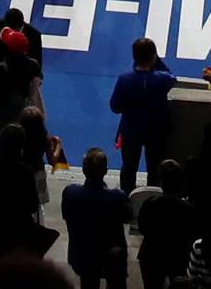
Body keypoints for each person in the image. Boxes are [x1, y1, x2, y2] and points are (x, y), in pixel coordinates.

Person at [109, 37, 176, 193]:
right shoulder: (163, 79)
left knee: (129, 168)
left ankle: (126, 198)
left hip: (131, 131)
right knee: (154, 169)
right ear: (153, 56)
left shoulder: (125, 79)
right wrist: (156, 60)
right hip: (156, 132)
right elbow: (171, 75)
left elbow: (115, 107)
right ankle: (153, 197)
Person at [61, 148, 131, 289]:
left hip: (83, 255)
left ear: (83, 170)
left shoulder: (70, 193)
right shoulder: (118, 197)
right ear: (105, 171)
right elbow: (128, 217)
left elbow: (66, 215)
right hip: (112, 257)